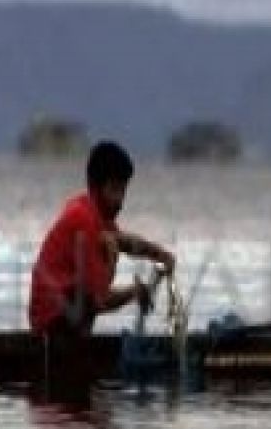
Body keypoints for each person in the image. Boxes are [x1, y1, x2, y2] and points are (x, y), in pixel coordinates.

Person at [28, 141, 175, 386]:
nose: (120, 201)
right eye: (115, 190)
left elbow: (127, 242)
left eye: (123, 191)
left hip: (70, 326)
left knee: (112, 244)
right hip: (52, 329)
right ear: (96, 188)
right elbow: (99, 300)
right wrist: (135, 292)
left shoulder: (95, 215)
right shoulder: (82, 219)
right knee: (108, 251)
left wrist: (161, 255)